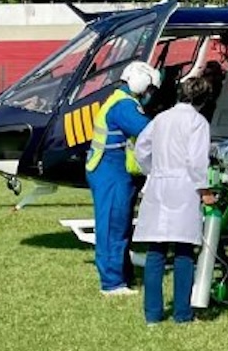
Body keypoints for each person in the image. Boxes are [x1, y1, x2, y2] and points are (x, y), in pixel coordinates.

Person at [132, 76, 215, 325]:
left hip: (158, 184)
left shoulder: (161, 118)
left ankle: (152, 315)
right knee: (183, 253)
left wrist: (153, 170)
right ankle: (182, 313)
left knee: (155, 252)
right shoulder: (197, 122)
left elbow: (141, 149)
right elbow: (197, 160)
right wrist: (205, 190)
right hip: (185, 187)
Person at [86, 60, 161, 296]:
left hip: (114, 169)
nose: (151, 95)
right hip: (110, 170)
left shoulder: (120, 100)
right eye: (150, 89)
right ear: (141, 84)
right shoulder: (125, 107)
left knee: (120, 225)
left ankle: (122, 276)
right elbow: (148, 132)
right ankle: (112, 283)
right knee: (112, 226)